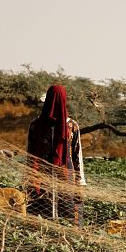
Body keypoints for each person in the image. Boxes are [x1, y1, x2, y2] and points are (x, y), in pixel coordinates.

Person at [26, 85, 86, 225]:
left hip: (42, 173)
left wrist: (29, 176)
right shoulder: (71, 125)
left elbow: (29, 154)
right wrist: (80, 181)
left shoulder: (36, 124)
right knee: (59, 207)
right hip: (65, 172)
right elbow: (77, 156)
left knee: (55, 207)